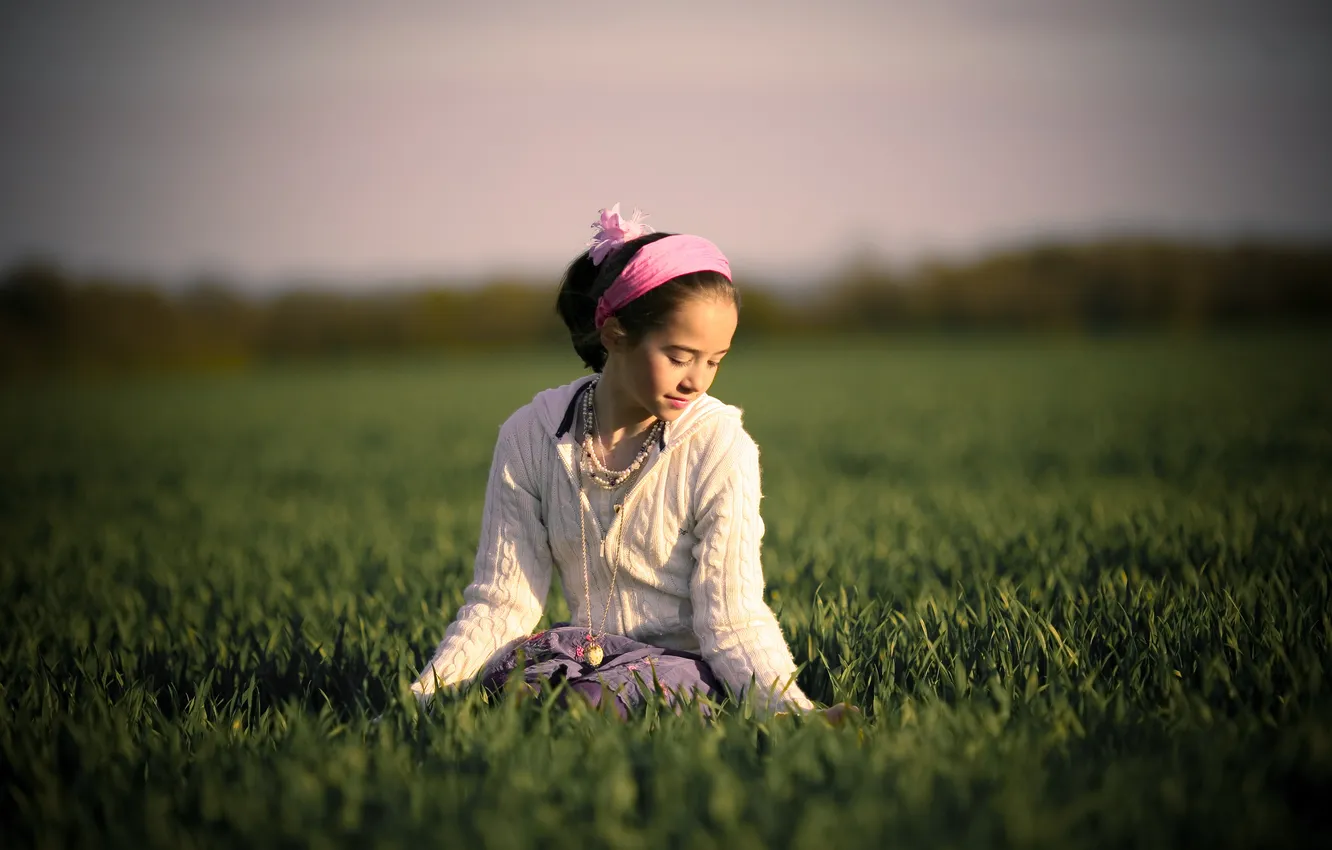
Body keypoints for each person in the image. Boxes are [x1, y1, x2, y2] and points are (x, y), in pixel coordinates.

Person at [411, 204, 856, 725]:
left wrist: (792, 715)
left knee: (588, 703)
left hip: (685, 670)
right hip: (582, 654)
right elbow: (500, 604)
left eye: (715, 361)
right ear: (615, 334)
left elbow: (733, 619)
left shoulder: (719, 445)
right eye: (679, 356)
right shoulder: (529, 436)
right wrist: (417, 704)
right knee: (518, 682)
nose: (697, 380)